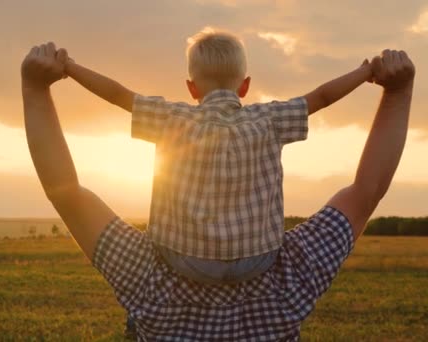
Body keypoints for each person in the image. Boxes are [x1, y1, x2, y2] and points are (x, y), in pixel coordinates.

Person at [21, 42, 415, 340]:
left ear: (192, 88)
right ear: (245, 86)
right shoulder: (291, 280)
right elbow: (367, 188)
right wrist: (384, 83)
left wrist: (50, 78)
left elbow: (67, 190)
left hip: (174, 264)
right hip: (263, 265)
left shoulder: (146, 280)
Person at [64, 27, 373, 286]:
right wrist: (364, 72)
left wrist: (70, 67)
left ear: (191, 88)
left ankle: (138, 317)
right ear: (245, 85)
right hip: (258, 257)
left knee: (156, 240)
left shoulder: (172, 118)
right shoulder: (270, 119)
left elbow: (118, 95)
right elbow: (321, 97)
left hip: (184, 257)